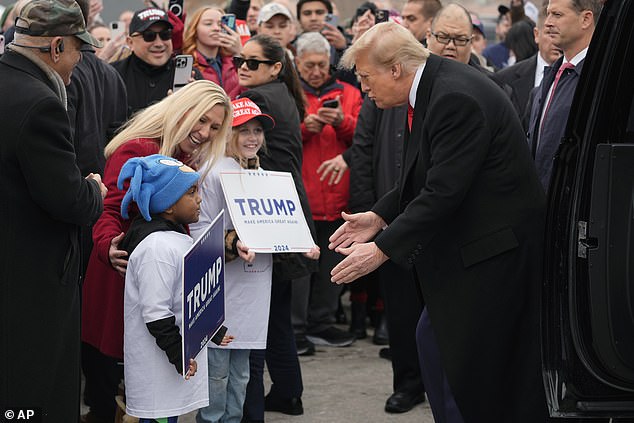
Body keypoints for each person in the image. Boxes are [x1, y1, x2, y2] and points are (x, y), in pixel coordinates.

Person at [332, 22, 549, 423]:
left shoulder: (453, 97)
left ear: (395, 68)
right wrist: (379, 215)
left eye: (366, 77)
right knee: (436, 347)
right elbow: (423, 174)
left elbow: (443, 192)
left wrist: (380, 250)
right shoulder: (433, 85)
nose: (363, 89)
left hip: (495, 255)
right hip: (477, 251)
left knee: (467, 368)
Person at [81, 80, 231, 423]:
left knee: (153, 382)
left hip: (161, 277)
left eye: (215, 127)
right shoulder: (137, 148)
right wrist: (108, 246)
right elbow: (108, 209)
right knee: (126, 380)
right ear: (183, 110)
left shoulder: (185, 155)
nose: (206, 132)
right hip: (121, 274)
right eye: (202, 120)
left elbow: (183, 222)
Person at [0, 0, 107, 421]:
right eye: (79, 50)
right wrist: (93, 189)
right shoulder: (40, 102)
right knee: (33, 393)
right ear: (57, 46)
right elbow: (70, 201)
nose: (79, 61)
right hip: (31, 278)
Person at [235, 34, 319, 421]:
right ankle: (288, 392)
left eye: (253, 62)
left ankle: (280, 394)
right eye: (240, 60)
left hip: (272, 215)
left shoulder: (263, 100)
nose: (242, 67)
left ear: (274, 68)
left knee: (263, 318)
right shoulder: (283, 95)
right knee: (275, 316)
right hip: (283, 212)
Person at [192, 98, 275, 423]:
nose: (252, 137)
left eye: (257, 131)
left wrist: (299, 244)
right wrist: (231, 243)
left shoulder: (265, 175)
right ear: (228, 135)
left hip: (253, 287)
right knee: (216, 373)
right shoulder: (212, 173)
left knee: (241, 374)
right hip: (222, 288)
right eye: (244, 131)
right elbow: (198, 228)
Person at [118, 154, 210, 422]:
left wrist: (213, 330)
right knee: (158, 417)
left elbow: (187, 297)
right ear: (168, 205)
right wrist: (178, 354)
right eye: (191, 192)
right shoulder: (155, 248)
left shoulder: (175, 239)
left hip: (174, 363)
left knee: (169, 416)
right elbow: (155, 311)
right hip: (159, 366)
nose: (200, 198)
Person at [292, 31, 361, 350]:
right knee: (301, 271)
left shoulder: (348, 92)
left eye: (322, 64)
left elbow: (365, 137)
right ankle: (296, 329)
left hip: (337, 196)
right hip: (301, 197)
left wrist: (342, 121)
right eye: (309, 66)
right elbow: (276, 137)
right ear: (297, 64)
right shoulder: (291, 93)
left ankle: (321, 322)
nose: (317, 71)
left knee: (331, 266)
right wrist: (306, 128)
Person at [527, 0, 601, 191]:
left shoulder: (598, 78)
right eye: (549, 14)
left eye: (557, 15)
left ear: (586, 19)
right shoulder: (551, 76)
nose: (548, 22)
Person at [112, 6, 197, 116]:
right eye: (149, 36)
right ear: (130, 42)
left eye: (165, 35)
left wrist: (196, 103)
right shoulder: (112, 76)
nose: (159, 43)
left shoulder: (190, 78)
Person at [497, 3, 561, 127]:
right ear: (537, 35)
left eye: (560, 34)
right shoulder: (505, 79)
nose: (556, 41)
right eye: (550, 34)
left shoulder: (577, 78)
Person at [182, 6, 243, 99]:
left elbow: (248, 92)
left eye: (220, 24)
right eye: (208, 23)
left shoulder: (233, 62)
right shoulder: (187, 64)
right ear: (194, 30)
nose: (216, 28)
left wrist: (240, 54)